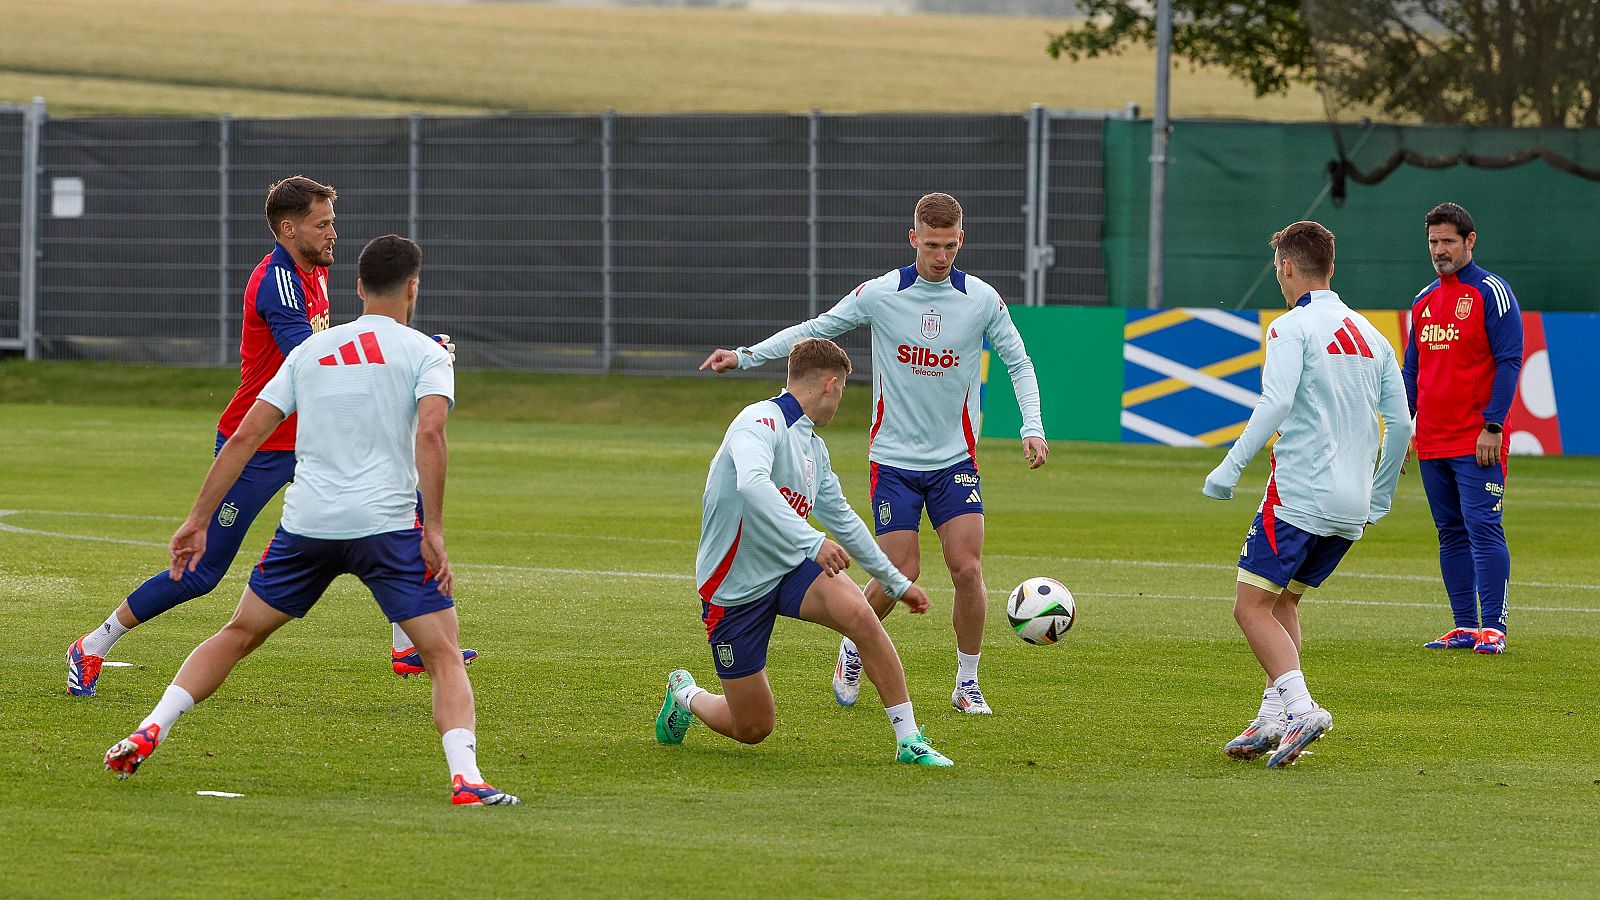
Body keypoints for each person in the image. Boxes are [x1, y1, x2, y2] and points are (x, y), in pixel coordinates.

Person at [103, 235, 517, 806]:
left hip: (308, 527)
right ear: (413, 289)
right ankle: (466, 779)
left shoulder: (310, 352)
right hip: (388, 528)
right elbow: (429, 433)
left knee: (238, 634)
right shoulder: (427, 352)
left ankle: (150, 727)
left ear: (357, 288)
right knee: (443, 655)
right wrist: (436, 532)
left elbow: (246, 435)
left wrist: (197, 519)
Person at [66, 176, 471, 696]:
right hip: (258, 444)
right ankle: (93, 644)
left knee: (401, 508)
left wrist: (407, 344)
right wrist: (415, 347)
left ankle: (407, 645)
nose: (333, 235)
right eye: (321, 224)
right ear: (288, 228)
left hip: (316, 441)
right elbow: (318, 359)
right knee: (201, 573)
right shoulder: (278, 281)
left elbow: (345, 343)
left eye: (332, 223)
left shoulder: (313, 272)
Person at [700, 192, 1046, 717]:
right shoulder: (881, 294)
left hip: (956, 458)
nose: (941, 256)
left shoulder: (982, 300)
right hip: (895, 460)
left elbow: (1018, 362)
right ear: (913, 239)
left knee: (967, 569)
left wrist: (1032, 426)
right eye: (931, 245)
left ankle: (967, 683)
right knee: (900, 566)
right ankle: (854, 643)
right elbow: (817, 329)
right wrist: (748, 356)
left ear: (962, 240)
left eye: (950, 245)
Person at [657, 338, 952, 766]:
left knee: (861, 617)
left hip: (789, 568)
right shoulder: (759, 421)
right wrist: (813, 542)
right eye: (844, 391)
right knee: (753, 727)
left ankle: (909, 740)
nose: (840, 401)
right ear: (831, 385)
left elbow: (845, 519)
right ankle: (686, 695)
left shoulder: (813, 447)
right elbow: (752, 484)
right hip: (733, 587)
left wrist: (894, 581)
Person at [1202, 221, 1410, 768]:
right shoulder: (1373, 335)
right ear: (1331, 268)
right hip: (1351, 504)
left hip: (1298, 494)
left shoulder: (1290, 328)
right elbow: (1403, 426)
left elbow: (1274, 403)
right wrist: (1381, 496)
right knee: (1283, 600)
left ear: (1288, 268)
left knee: (1248, 607)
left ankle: (1302, 707)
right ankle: (1273, 714)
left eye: (1277, 269)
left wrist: (1229, 466)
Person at [1403, 202, 1523, 655]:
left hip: (1478, 439)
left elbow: (1511, 360)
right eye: (1434, 241)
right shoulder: (1424, 300)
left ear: (1470, 241)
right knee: (1450, 531)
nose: (1440, 250)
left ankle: (1494, 627)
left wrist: (1493, 425)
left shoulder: (1493, 291)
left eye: (1448, 241)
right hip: (1432, 436)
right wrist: (1401, 432)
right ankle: (1465, 626)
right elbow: (1411, 373)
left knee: (1483, 526)